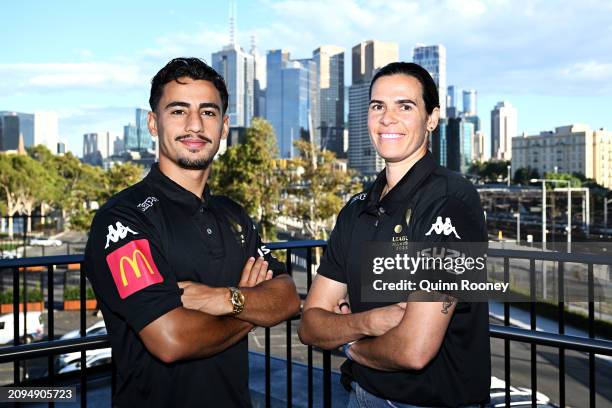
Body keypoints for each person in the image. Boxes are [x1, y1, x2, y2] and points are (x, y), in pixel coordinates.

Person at [84, 57, 301, 407]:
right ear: (153, 124)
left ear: (225, 126)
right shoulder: (122, 220)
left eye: (209, 112)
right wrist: (250, 312)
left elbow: (288, 296)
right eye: (179, 111)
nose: (195, 125)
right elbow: (170, 340)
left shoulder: (233, 215)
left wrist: (222, 299)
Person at [298, 62, 490, 407]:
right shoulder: (357, 209)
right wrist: (371, 321)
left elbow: (414, 349)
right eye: (377, 106)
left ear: (431, 118)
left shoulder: (451, 202)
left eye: (405, 105)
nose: (387, 118)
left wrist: (348, 342)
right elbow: (310, 324)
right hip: (360, 394)